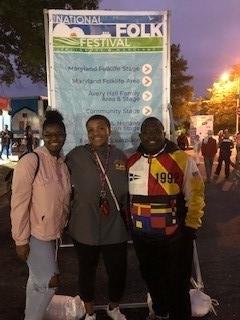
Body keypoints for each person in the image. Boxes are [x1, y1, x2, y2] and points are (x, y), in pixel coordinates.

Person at [127, 117, 205, 320]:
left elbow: (196, 194)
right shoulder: (132, 162)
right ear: (140, 136)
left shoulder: (181, 159)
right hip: (142, 237)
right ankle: (160, 312)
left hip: (175, 237)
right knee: (152, 279)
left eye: (156, 131)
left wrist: (190, 228)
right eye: (147, 132)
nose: (151, 135)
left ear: (164, 133)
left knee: (178, 284)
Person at [66, 115, 129, 320]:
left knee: (118, 271)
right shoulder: (76, 155)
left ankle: (113, 307)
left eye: (101, 128)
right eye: (91, 130)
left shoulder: (121, 156)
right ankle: (90, 312)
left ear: (109, 130)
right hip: (84, 225)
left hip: (115, 226)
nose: (96, 133)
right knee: (86, 271)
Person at [10, 110, 71, 320]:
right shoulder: (30, 161)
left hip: (53, 234)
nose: (54, 138)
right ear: (43, 135)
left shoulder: (62, 164)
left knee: (36, 283)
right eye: (50, 134)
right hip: (35, 234)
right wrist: (20, 240)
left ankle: (31, 315)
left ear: (65, 135)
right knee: (49, 283)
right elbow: (18, 203)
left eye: (59, 134)